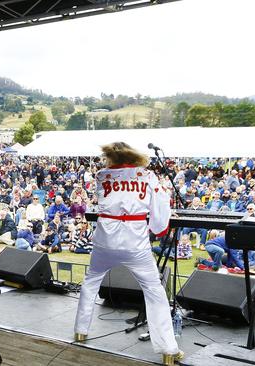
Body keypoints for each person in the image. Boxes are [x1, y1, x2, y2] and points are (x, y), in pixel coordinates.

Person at [73, 142, 182, 366]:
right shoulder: (147, 175)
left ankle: (80, 331)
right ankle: (168, 350)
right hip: (135, 241)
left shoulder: (102, 175)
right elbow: (160, 203)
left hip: (105, 239)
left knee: (91, 281)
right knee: (154, 291)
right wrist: (159, 225)